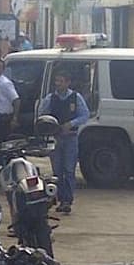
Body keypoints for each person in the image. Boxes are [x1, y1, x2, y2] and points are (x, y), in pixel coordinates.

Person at [39, 70, 90, 214]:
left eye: (61, 81)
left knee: (69, 170)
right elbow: (42, 114)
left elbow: (85, 115)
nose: (58, 84)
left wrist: (71, 124)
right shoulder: (50, 98)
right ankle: (60, 198)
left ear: (68, 82)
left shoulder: (76, 98)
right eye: (57, 81)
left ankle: (67, 200)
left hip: (71, 138)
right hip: (55, 138)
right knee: (57, 171)